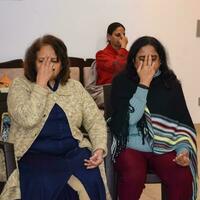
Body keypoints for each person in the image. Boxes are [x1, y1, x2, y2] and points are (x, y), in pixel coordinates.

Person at [0, 35, 111, 200]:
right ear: (32, 62)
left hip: (72, 153)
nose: (47, 66)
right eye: (42, 61)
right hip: (34, 155)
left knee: (90, 178)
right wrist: (40, 85)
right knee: (43, 183)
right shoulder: (20, 85)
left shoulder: (75, 87)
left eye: (53, 60)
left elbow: (95, 120)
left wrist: (99, 148)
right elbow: (27, 118)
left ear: (62, 64)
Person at [110, 36, 197, 200]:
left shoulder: (170, 84)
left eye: (154, 58)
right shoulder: (122, 82)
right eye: (142, 58)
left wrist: (183, 151)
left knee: (182, 176)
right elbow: (128, 120)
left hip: (164, 145)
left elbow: (182, 123)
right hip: (130, 145)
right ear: (133, 59)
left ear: (161, 60)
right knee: (133, 176)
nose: (148, 63)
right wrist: (144, 84)